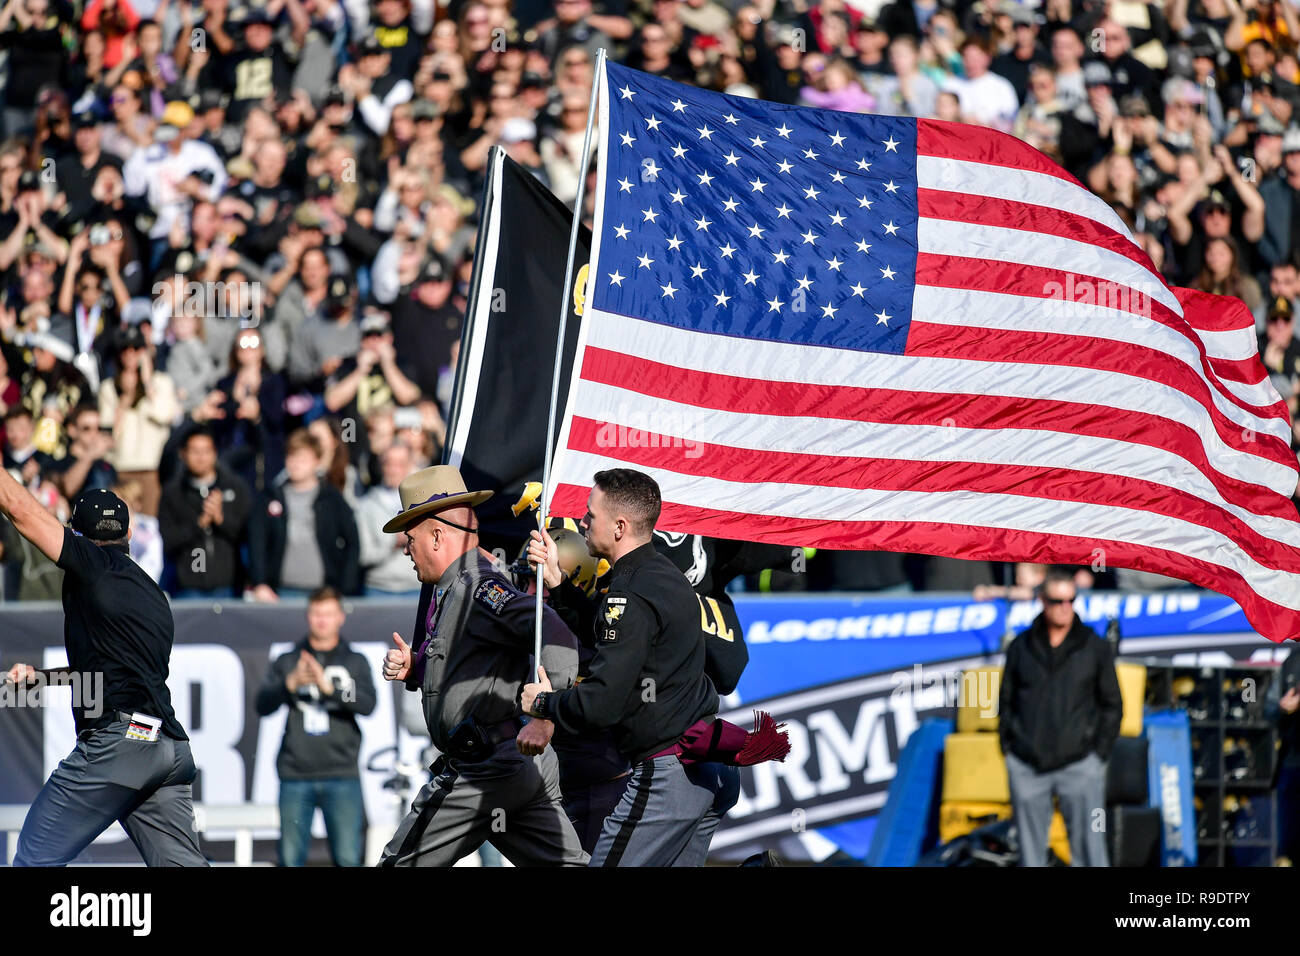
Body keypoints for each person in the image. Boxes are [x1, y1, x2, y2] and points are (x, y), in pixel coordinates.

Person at [523, 468, 788, 866]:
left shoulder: (631, 590)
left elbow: (601, 704)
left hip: (670, 773)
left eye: (591, 515)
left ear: (619, 527)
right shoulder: (659, 575)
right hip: (707, 769)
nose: (582, 522)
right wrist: (562, 589)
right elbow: (616, 634)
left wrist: (544, 704)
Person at [377, 464, 588, 866]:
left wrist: (547, 713)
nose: (406, 548)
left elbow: (554, 632)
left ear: (437, 535)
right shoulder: (458, 585)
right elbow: (476, 662)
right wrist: (418, 667)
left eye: (410, 537)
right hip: (513, 767)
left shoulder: (479, 587)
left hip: (485, 768)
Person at [2, 485, 207, 866]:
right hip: (168, 747)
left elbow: (20, 510)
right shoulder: (153, 594)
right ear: (128, 534)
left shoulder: (91, 565)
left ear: (76, 534)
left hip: (122, 744)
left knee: (34, 858)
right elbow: (109, 672)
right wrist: (41, 678)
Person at [998, 568, 1123, 867]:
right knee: (1031, 858)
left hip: (1080, 765)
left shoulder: (1094, 647)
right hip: (1027, 766)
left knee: (1091, 853)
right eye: (1057, 601)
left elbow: (1112, 704)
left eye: (1071, 600)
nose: (1065, 607)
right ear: (1042, 600)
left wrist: (1098, 757)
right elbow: (1006, 701)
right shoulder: (1021, 646)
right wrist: (1010, 751)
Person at [254, 586, 377, 867]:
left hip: (342, 772)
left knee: (348, 858)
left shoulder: (354, 660)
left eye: (329, 614)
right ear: (308, 616)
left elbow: (368, 704)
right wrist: (290, 684)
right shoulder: (289, 660)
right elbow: (262, 704)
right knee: (290, 858)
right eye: (317, 614)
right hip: (296, 773)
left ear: (340, 617)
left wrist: (329, 688)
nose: (322, 621)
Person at [246, 428, 361, 601]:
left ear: (316, 461)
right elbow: (256, 543)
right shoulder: (269, 497)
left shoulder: (331, 498)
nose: (295, 464)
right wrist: (260, 584)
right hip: (279, 593)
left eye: (302, 459)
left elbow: (353, 543)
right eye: (291, 457)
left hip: (324, 594)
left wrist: (345, 587)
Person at [158, 426, 252, 598]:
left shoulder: (235, 487)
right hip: (188, 587)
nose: (201, 457)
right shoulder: (173, 493)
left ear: (215, 453)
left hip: (229, 586)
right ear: (183, 454)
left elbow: (248, 534)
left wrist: (220, 519)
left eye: (206, 451)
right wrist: (199, 524)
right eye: (194, 451)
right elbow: (169, 539)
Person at [1268, 647, 1300, 863]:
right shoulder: (1293, 660)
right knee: (1289, 847)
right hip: (1293, 765)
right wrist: (1282, 709)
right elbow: (1267, 710)